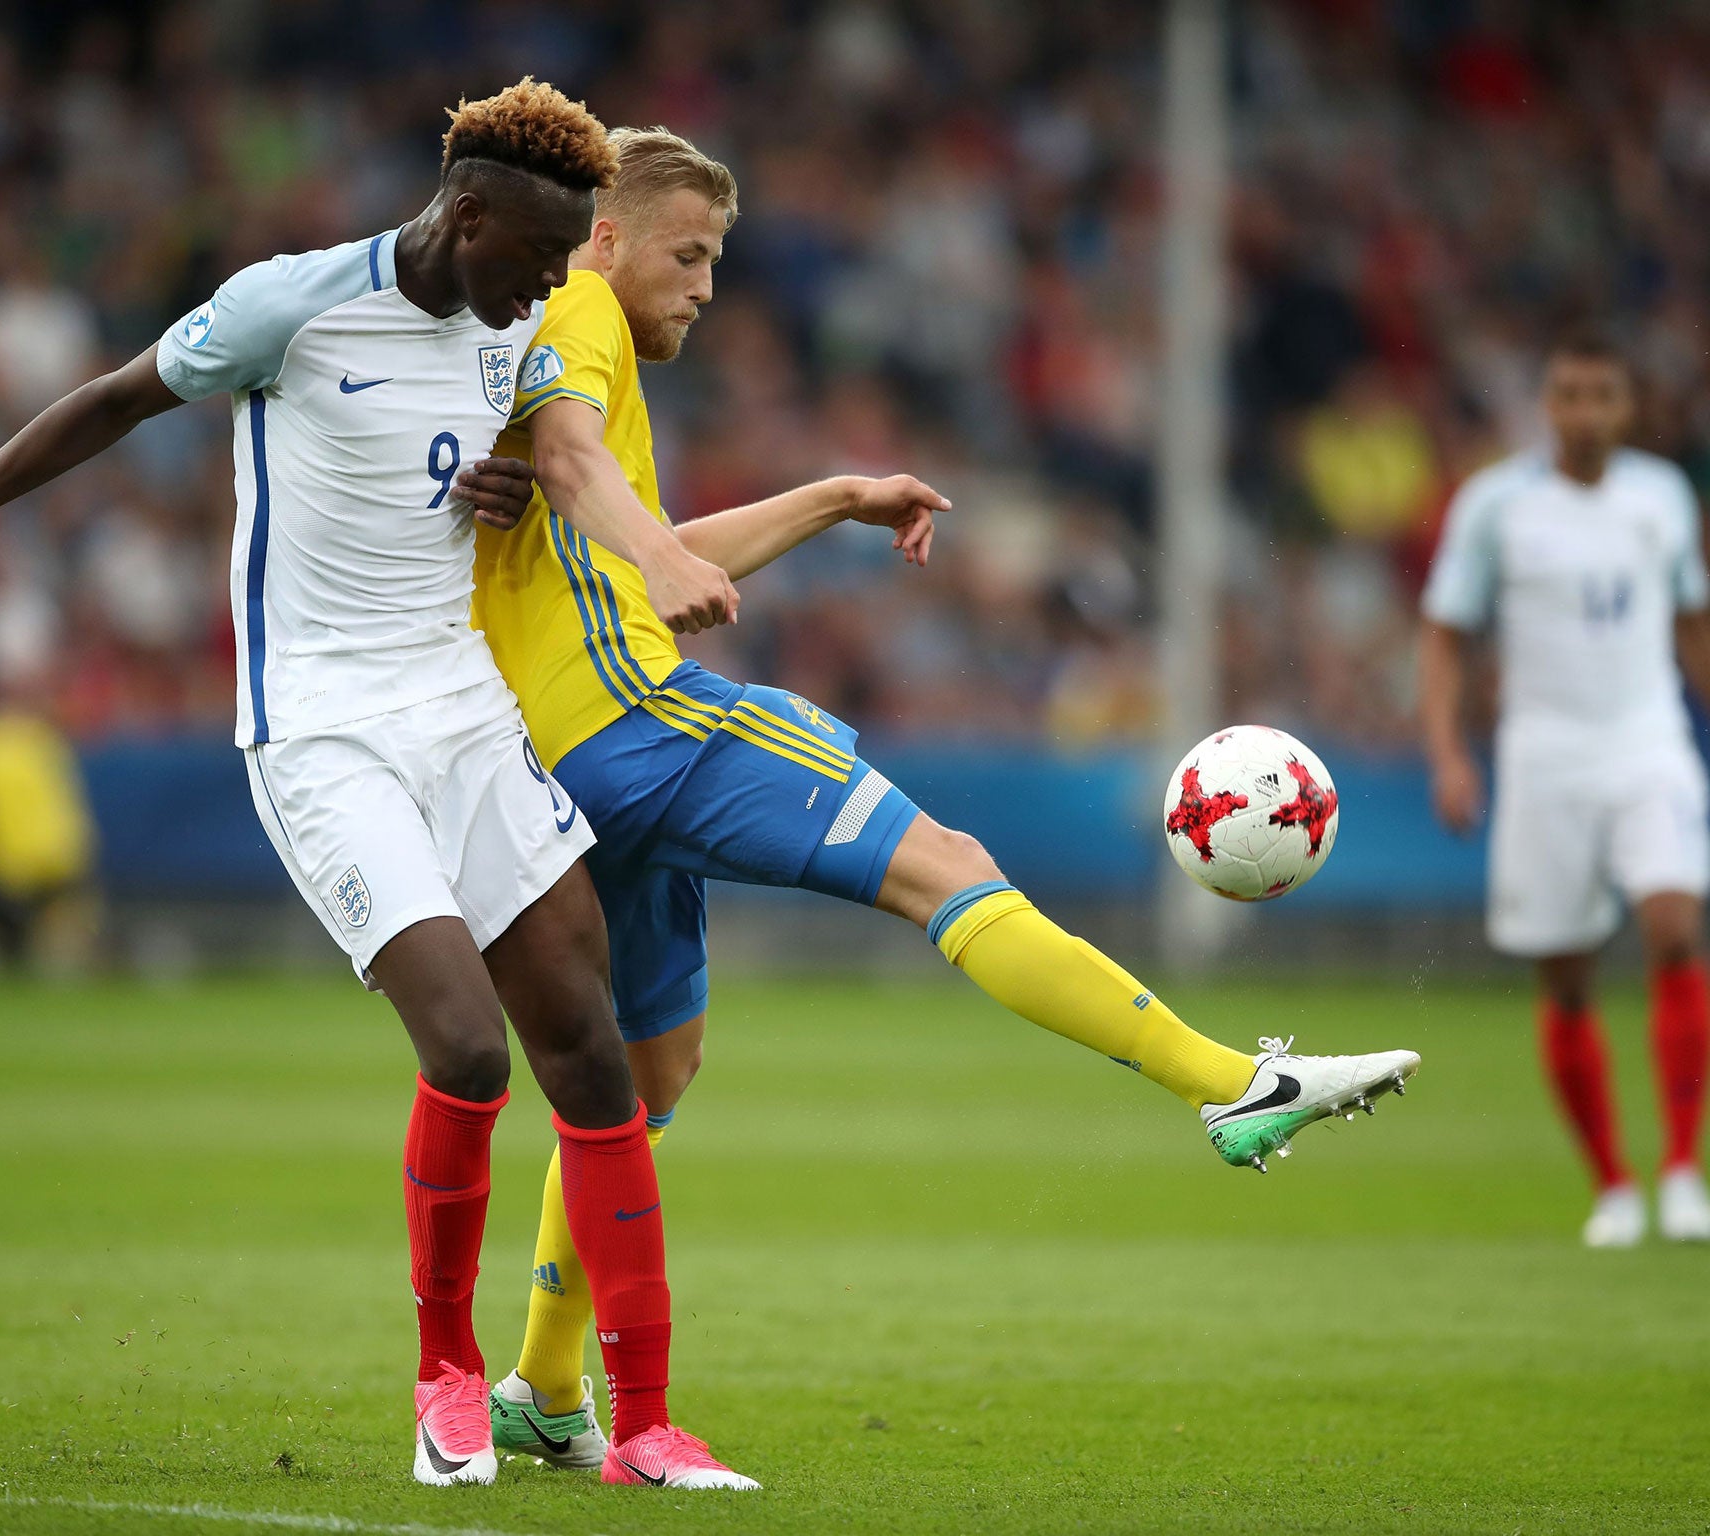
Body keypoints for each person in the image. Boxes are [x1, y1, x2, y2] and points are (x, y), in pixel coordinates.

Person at [0, 81, 756, 1492]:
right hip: (323, 730)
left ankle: (645, 1428)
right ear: (469, 214)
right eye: (536, 260)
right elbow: (116, 400)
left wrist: (500, 489)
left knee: (590, 1050)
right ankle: (447, 1378)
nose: (552, 291)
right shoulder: (293, 305)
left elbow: (520, 459)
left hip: (464, 710)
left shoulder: (518, 333)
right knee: (468, 1051)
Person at [467, 127, 1422, 1465]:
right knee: (944, 861)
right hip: (640, 722)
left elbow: (636, 540)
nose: (706, 286)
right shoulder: (574, 308)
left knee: (644, 1071)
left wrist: (834, 497)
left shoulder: (567, 343)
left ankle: (544, 1390)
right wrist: (654, 562)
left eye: (718, 260)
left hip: (563, 749)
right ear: (608, 238)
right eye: (689, 255)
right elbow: (578, 471)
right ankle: (1228, 1085)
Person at [1421, 332, 1710, 1249]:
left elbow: (1692, 620)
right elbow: (1444, 634)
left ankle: (1680, 1168)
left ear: (1628, 408)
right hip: (1544, 755)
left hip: (1647, 738)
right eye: (1569, 395)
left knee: (1673, 927)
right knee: (1569, 974)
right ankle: (1614, 1183)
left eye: (1603, 395)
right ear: (1548, 406)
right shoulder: (1497, 505)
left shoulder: (1661, 496)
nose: (1585, 412)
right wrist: (1449, 754)